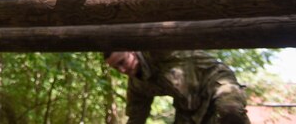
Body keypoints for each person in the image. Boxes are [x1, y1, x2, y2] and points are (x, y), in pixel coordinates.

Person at [104, 50, 250, 123]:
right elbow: (136, 117)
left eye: (122, 62)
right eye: (116, 68)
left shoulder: (158, 49)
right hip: (189, 107)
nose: (122, 70)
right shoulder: (137, 85)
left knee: (229, 111)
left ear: (133, 51)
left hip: (215, 80)